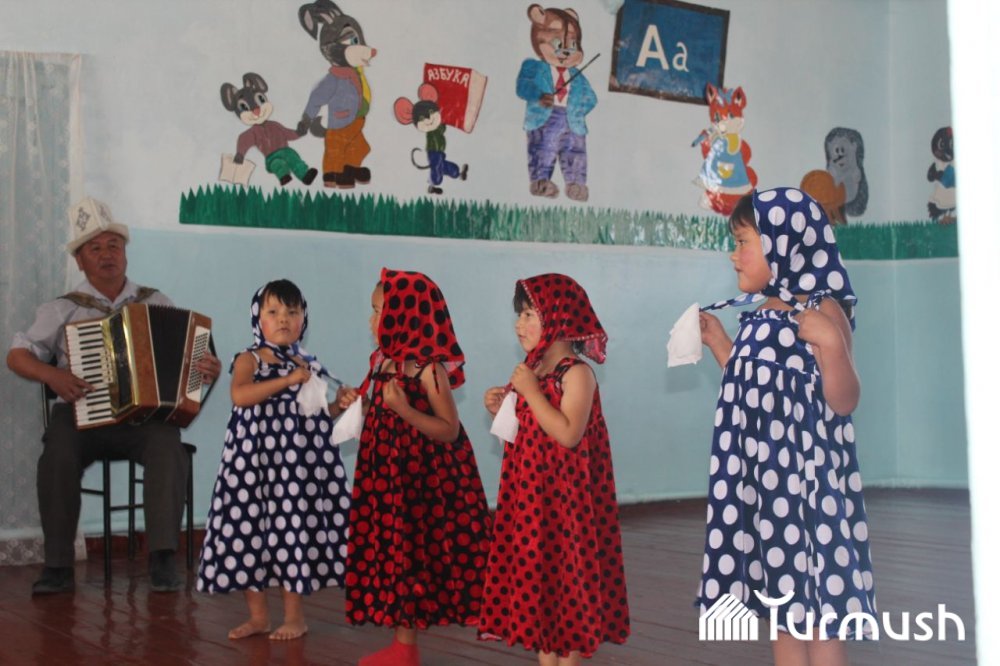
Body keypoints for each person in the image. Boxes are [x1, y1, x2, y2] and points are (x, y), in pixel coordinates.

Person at [6, 196, 222, 595]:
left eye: (114, 246)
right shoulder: (62, 309)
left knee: (167, 443)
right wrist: (53, 375)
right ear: (80, 261)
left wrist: (206, 368)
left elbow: (189, 359)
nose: (107, 255)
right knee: (56, 455)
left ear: (124, 253)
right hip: (79, 415)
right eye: (95, 249)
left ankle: (162, 558)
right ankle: (58, 566)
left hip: (141, 419)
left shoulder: (154, 301)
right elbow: (17, 356)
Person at [697, 188, 876, 665]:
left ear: (784, 244)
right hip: (765, 488)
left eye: (743, 242)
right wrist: (720, 344)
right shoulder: (760, 313)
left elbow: (845, 400)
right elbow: (752, 388)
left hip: (811, 489)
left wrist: (832, 345)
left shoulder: (824, 310)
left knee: (820, 611)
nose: (734, 254)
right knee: (783, 608)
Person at [336, 268, 492, 666]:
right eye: (373, 311)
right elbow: (379, 409)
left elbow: (449, 429)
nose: (371, 321)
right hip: (387, 477)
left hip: (422, 481)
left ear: (404, 316)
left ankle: (408, 644)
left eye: (379, 311)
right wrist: (358, 404)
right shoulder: (383, 363)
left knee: (417, 554)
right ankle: (402, 646)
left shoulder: (429, 370)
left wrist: (403, 409)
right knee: (395, 553)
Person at [479, 273, 630, 666]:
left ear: (558, 318)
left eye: (529, 314)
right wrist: (502, 408)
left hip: (566, 504)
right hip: (533, 498)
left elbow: (567, 433)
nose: (519, 324)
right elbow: (531, 427)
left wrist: (529, 392)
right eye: (519, 315)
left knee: (567, 580)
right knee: (539, 581)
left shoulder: (576, 374)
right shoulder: (534, 369)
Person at [196, 279, 351, 641]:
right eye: (273, 311)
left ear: (303, 320)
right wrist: (287, 381)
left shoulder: (306, 363)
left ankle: (295, 617)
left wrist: (338, 405)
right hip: (252, 465)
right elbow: (241, 395)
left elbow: (315, 415)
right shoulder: (248, 359)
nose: (283, 318)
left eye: (292, 312)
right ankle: (259, 617)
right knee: (250, 532)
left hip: (294, 470)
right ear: (258, 319)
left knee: (291, 532)